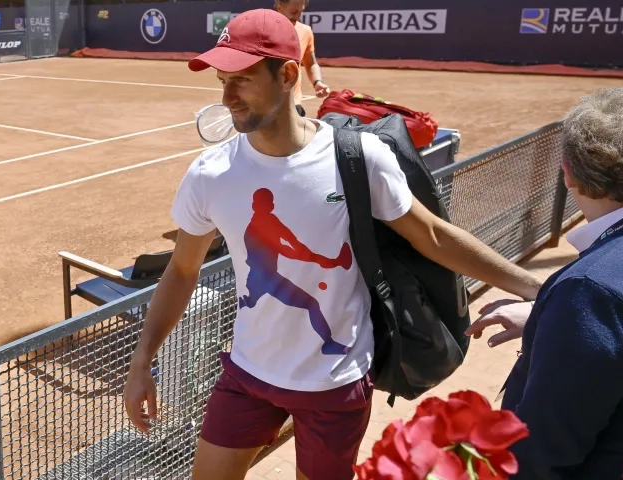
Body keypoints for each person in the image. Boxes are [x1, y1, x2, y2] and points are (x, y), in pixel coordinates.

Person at [123, 9, 543, 480]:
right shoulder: (210, 174)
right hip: (246, 375)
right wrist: (142, 361)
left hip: (335, 383)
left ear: (286, 75)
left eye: (239, 80)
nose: (226, 98)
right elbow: (182, 271)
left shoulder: (359, 158)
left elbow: (432, 235)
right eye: (221, 81)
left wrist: (537, 289)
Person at [466, 88, 623, 480]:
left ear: (568, 172)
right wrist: (548, 321)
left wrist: (568, 317)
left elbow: (544, 452)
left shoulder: (589, 291)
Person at [274, 0, 330, 117]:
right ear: (279, 7)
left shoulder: (306, 31)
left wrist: (317, 82)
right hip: (267, 104)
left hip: (294, 103)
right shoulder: (262, 30)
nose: (298, 17)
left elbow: (311, 63)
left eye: (301, 12)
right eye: (294, 12)